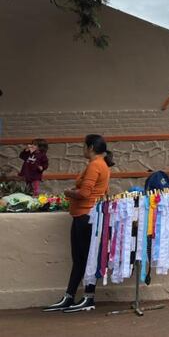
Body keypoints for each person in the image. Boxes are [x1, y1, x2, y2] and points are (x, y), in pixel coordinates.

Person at [44, 134, 113, 313]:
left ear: (90, 148)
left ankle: (88, 297)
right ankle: (70, 296)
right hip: (85, 216)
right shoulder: (101, 165)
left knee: (85, 258)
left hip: (86, 216)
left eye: (84, 146)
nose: (82, 149)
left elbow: (84, 193)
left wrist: (69, 192)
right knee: (81, 258)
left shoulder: (95, 165)